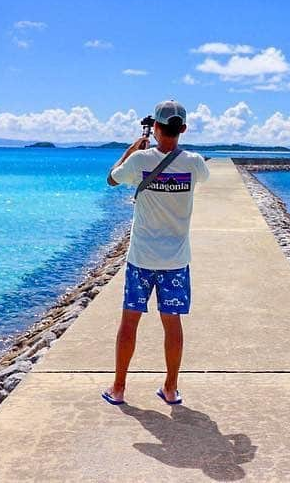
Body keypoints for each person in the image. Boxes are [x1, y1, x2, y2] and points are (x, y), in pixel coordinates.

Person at [101, 100, 210, 407]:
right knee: (172, 323)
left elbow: (111, 178)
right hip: (175, 260)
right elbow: (202, 177)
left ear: (157, 128)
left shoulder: (139, 161)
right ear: (183, 130)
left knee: (130, 322)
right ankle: (171, 389)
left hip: (141, 258)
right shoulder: (194, 163)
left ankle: (119, 388)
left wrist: (133, 148)